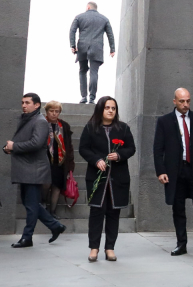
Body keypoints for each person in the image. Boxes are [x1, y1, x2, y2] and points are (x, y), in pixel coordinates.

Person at [153, 88, 193, 256]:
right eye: (181, 101)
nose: (185, 104)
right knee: (178, 208)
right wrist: (161, 171)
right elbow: (158, 149)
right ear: (174, 101)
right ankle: (181, 243)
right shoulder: (164, 121)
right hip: (175, 170)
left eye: (188, 101)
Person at [4, 93, 67, 247]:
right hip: (27, 169)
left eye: (27, 103)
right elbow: (21, 140)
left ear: (37, 105)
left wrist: (15, 146)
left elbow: (36, 143)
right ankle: (55, 226)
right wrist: (8, 148)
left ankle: (27, 237)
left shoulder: (39, 121)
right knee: (30, 203)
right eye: (22, 102)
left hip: (34, 170)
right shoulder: (27, 119)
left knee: (32, 205)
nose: (23, 105)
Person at [78, 96, 135, 262]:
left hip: (118, 178)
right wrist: (96, 160)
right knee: (96, 212)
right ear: (101, 109)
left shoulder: (123, 128)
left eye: (113, 108)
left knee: (113, 214)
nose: (111, 111)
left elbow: (131, 148)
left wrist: (119, 155)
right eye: (107, 107)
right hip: (97, 178)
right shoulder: (90, 128)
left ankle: (110, 248)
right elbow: (83, 149)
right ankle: (94, 248)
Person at [69, 2, 115, 104]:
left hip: (82, 46)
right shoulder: (104, 19)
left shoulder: (79, 17)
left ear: (88, 7)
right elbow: (110, 34)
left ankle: (83, 97)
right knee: (94, 72)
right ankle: (92, 98)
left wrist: (73, 45)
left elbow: (72, 31)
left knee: (82, 71)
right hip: (97, 48)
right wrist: (112, 49)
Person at [42, 101, 75, 213]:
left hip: (60, 162)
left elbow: (69, 146)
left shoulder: (64, 126)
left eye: (57, 111)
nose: (54, 113)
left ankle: (52, 211)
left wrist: (70, 165)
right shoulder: (41, 123)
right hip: (44, 161)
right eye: (51, 111)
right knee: (45, 184)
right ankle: (43, 205)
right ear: (46, 111)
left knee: (57, 187)